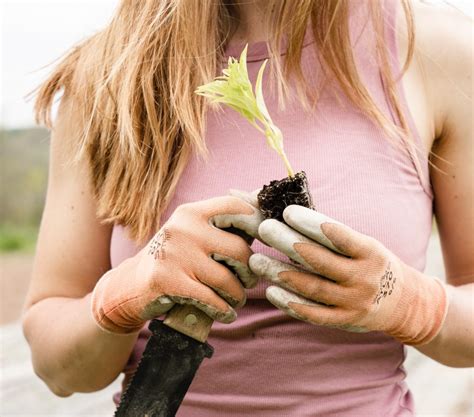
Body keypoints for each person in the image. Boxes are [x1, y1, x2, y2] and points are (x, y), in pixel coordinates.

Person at [22, 0, 472, 416]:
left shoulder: (433, 49)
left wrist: (412, 304)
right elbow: (58, 369)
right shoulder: (108, 73)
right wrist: (123, 296)